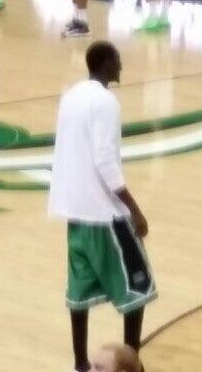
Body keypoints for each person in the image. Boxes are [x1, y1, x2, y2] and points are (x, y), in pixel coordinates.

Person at [49, 42, 156, 372]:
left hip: (74, 212)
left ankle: (81, 364)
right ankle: (131, 363)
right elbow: (105, 162)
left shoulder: (71, 96)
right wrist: (135, 210)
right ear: (106, 64)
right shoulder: (106, 102)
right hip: (104, 213)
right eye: (118, 61)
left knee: (78, 294)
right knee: (137, 289)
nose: (121, 66)